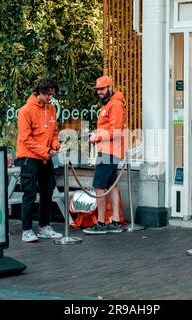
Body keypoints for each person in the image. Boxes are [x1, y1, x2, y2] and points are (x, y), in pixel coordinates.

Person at [16, 79, 63, 243]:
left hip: (45, 157)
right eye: (48, 94)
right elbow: (25, 139)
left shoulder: (51, 109)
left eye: (52, 94)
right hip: (29, 157)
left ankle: (44, 227)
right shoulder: (25, 110)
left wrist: (56, 145)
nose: (51, 97)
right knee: (29, 194)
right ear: (39, 92)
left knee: (47, 193)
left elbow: (54, 133)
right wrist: (46, 151)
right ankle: (27, 230)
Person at [83, 75, 127, 235]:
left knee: (99, 186)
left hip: (109, 151)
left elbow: (116, 131)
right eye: (98, 90)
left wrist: (97, 137)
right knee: (111, 185)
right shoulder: (112, 103)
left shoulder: (114, 104)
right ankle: (115, 221)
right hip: (110, 151)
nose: (99, 92)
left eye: (102, 89)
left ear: (110, 88)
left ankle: (101, 223)